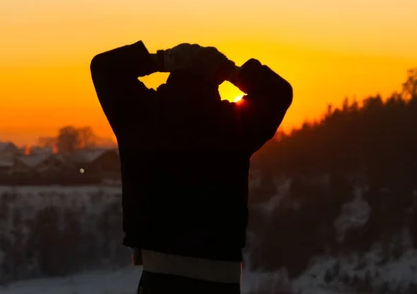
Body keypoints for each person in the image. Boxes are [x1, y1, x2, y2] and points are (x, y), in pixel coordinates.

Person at [90, 41, 293, 294]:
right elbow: (279, 92)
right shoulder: (233, 125)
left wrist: (161, 60)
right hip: (220, 279)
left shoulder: (141, 117)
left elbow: (104, 66)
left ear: (173, 78)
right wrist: (231, 71)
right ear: (215, 84)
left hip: (158, 277)